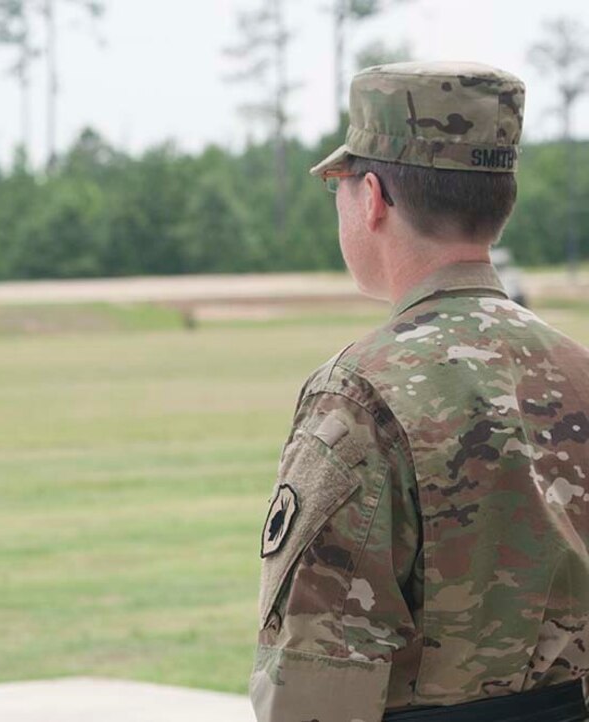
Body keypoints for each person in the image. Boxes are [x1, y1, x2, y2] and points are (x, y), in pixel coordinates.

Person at [251, 62, 589, 722]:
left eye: (341, 188)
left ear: (372, 197)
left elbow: (314, 687)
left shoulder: (358, 400)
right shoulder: (579, 371)